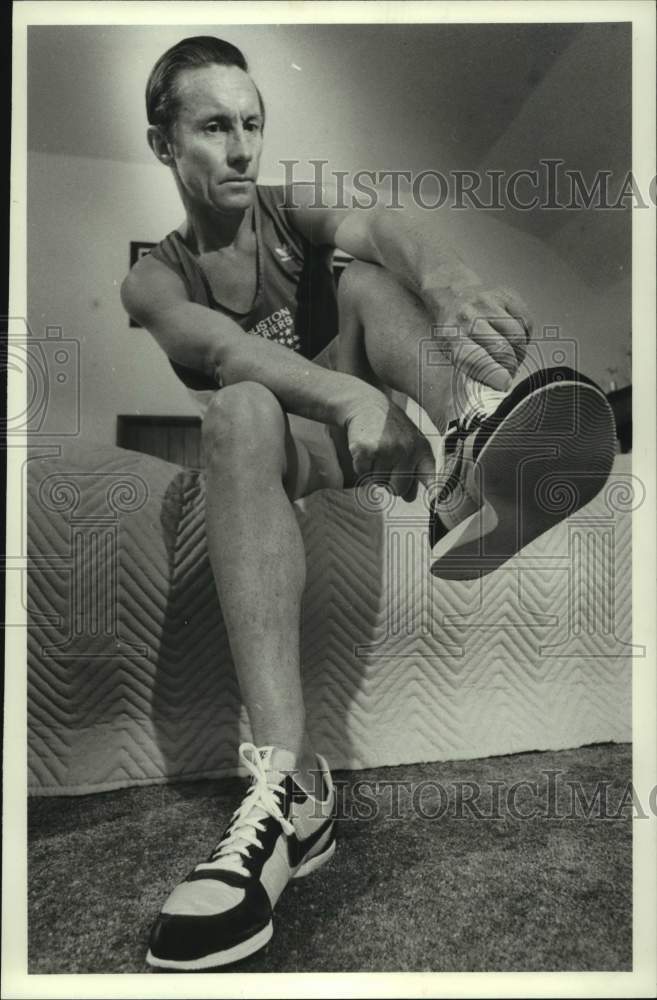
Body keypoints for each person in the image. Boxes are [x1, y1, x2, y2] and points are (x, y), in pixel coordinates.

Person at [120, 36, 616, 970]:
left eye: (252, 123)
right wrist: (347, 401)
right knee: (237, 410)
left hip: (380, 412)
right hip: (300, 441)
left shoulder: (288, 204)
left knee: (368, 274)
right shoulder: (154, 277)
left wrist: (457, 289)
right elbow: (224, 355)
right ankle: (284, 797)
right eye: (214, 126)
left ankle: (468, 433)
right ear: (163, 144)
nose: (241, 147)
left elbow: (380, 223)